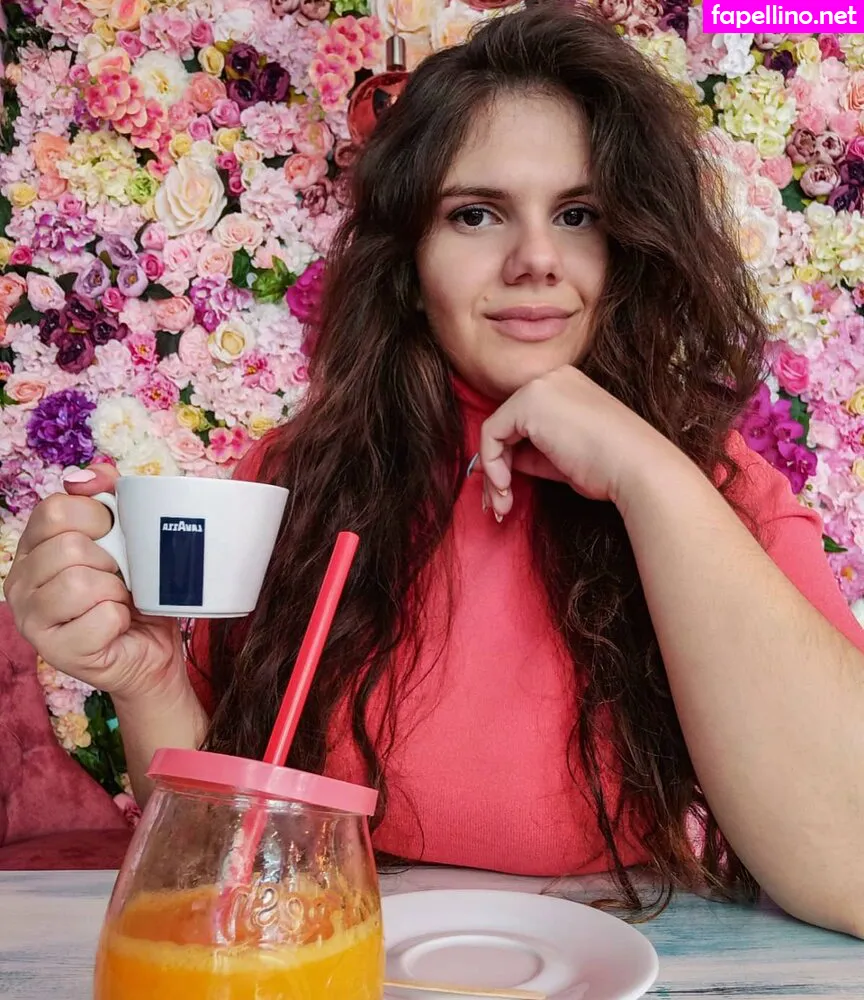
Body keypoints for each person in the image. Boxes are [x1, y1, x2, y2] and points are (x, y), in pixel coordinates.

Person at [6, 4, 864, 936]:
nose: (536, 259)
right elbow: (217, 869)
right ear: (410, 262)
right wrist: (147, 681)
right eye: (476, 214)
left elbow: (852, 868)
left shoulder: (717, 489)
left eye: (578, 215)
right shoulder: (294, 477)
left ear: (627, 251)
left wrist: (646, 474)